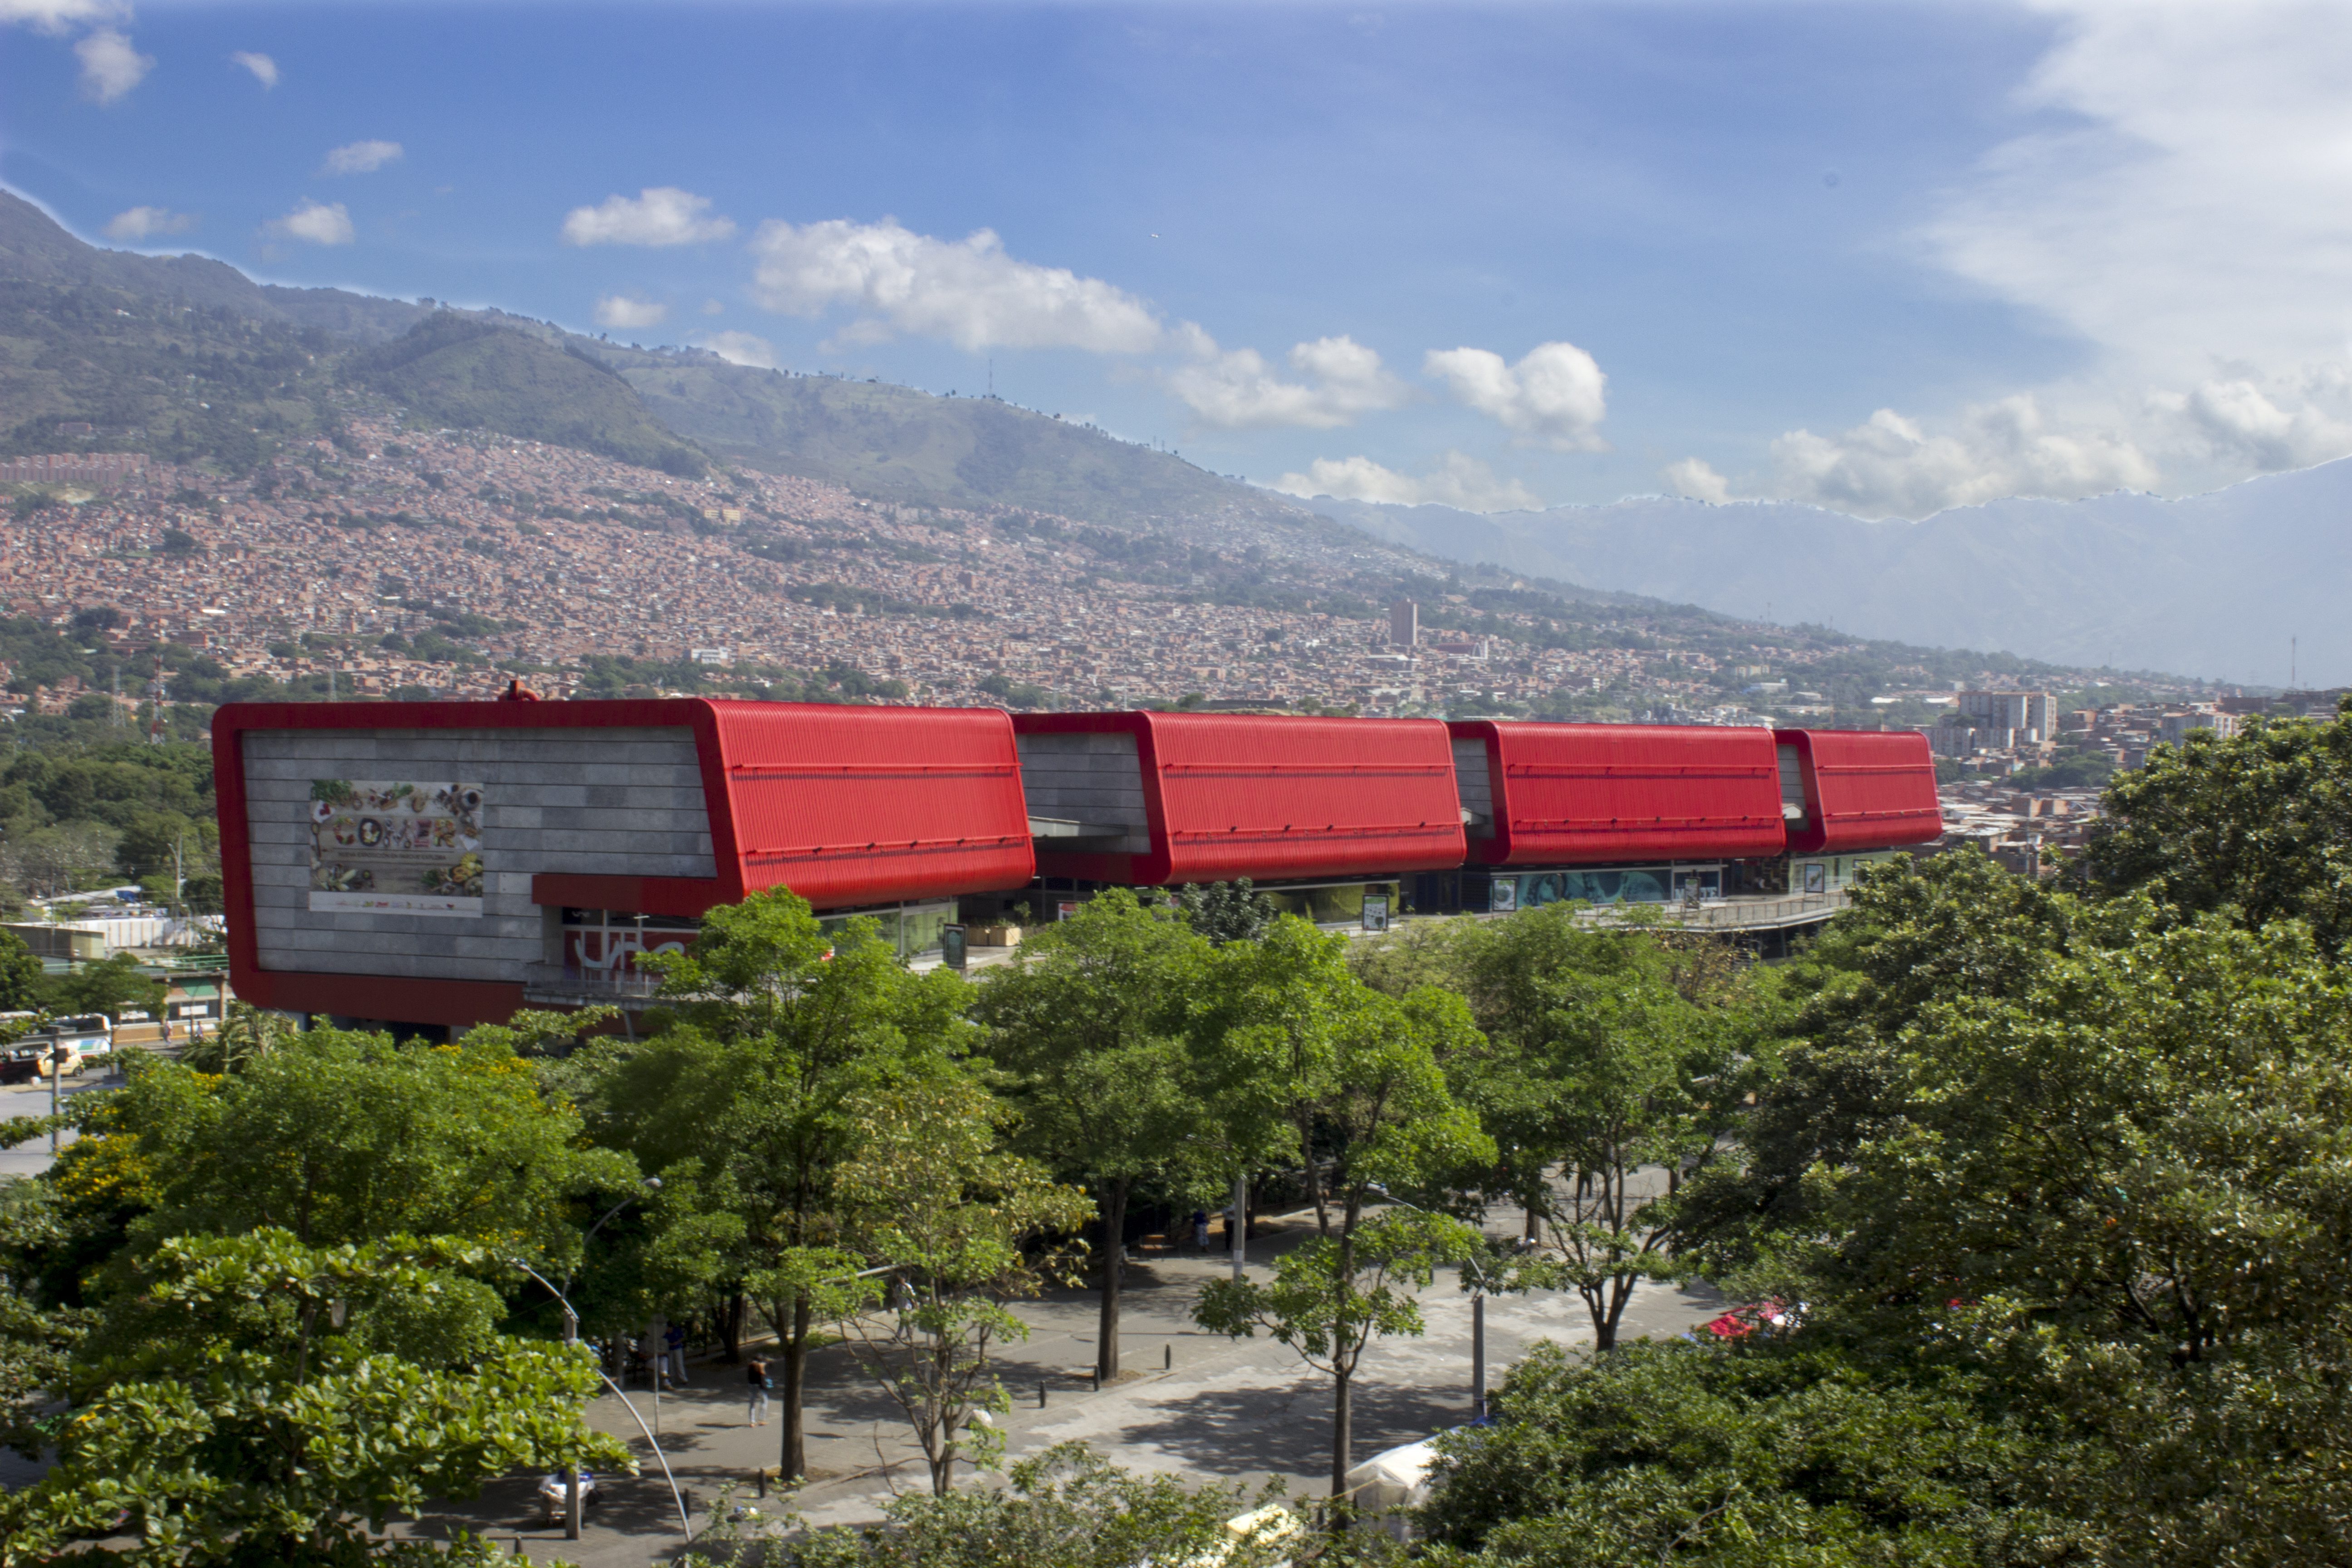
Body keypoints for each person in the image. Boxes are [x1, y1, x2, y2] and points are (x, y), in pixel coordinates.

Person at [747, 1355, 771, 1426]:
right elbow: (763, 1374)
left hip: (752, 1385)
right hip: (761, 1386)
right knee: (764, 1401)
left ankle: (752, 1422)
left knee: (752, 1403)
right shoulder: (760, 1366)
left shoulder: (751, 1366)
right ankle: (762, 1419)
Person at [665, 1322, 688, 1386]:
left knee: (679, 1363)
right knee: (670, 1364)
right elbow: (664, 1341)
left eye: (669, 1328)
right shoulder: (665, 1333)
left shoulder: (677, 1330)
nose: (668, 1330)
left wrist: (677, 1342)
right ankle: (672, 1379)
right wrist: (669, 1344)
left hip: (678, 1348)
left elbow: (682, 1338)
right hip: (669, 1349)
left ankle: (683, 1378)